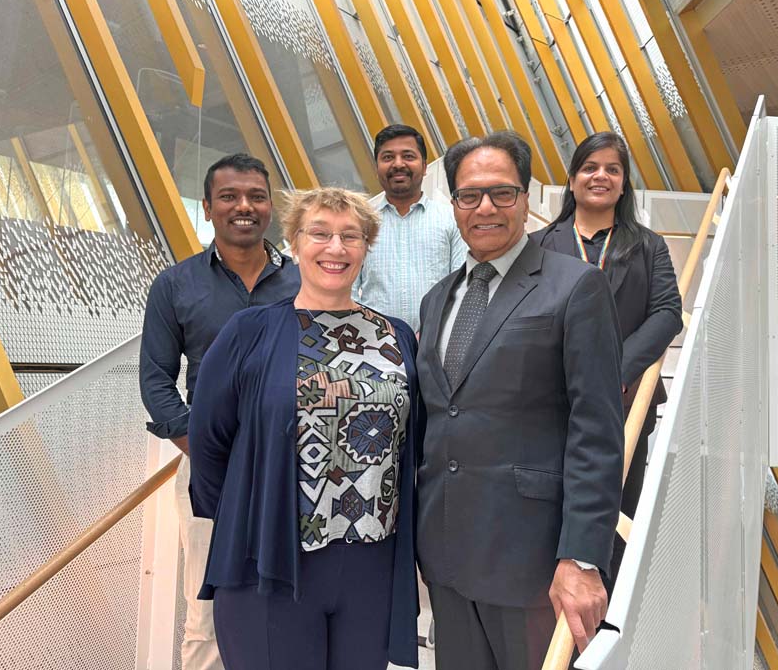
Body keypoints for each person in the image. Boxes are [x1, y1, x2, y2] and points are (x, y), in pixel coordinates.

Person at [415, 131, 625, 670]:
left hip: (531, 562)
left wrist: (581, 557)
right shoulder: (437, 298)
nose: (485, 208)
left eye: (501, 193)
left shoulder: (575, 287)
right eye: (469, 196)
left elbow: (596, 431)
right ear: (455, 204)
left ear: (526, 198)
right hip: (447, 556)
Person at [187, 188, 421, 670]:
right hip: (271, 558)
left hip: (371, 562)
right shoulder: (248, 333)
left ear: (365, 248)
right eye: (320, 234)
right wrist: (246, 516)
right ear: (294, 243)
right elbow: (208, 440)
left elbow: (412, 442)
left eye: (349, 237)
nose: (335, 248)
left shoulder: (397, 338)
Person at [139, 153, 300, 670]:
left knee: (290, 605)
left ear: (271, 207)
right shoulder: (176, 285)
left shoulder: (306, 282)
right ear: (207, 208)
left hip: (296, 471)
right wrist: (206, 452)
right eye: (229, 197)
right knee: (208, 617)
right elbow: (156, 384)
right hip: (211, 476)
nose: (244, 206)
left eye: (256, 196)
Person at [531, 132, 683, 589]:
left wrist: (613, 372)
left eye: (612, 169)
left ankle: (607, 608)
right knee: (550, 506)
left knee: (615, 511)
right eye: (590, 167)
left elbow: (667, 313)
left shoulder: (648, 245)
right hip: (550, 401)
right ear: (573, 180)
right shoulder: (537, 245)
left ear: (623, 185)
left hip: (626, 401)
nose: (601, 176)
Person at [354, 124, 466, 331]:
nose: (398, 164)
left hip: (437, 342)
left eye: (408, 156)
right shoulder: (358, 223)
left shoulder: (452, 219)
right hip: (376, 346)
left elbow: (462, 286)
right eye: (388, 157)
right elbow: (348, 290)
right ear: (376, 167)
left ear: (424, 167)